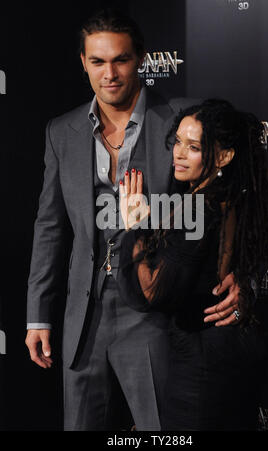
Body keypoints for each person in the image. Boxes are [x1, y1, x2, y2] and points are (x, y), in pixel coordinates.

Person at [25, 9, 240, 431]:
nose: (110, 73)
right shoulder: (61, 131)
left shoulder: (181, 119)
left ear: (140, 58)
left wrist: (237, 270)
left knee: (164, 432)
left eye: (120, 59)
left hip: (154, 310)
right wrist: (38, 314)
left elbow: (225, 197)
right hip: (83, 313)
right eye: (98, 61)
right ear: (83, 62)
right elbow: (49, 227)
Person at [118, 99, 268, 430]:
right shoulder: (228, 196)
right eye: (178, 141)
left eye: (193, 147)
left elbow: (151, 292)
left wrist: (134, 225)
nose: (178, 153)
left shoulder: (198, 208)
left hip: (202, 366)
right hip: (225, 354)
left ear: (223, 156)